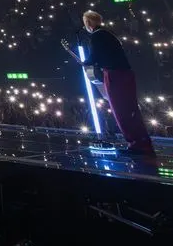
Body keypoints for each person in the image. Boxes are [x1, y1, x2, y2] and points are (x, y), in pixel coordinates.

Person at [63, 10, 154, 155]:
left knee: (121, 111)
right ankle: (142, 143)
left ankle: (136, 145)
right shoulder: (108, 33)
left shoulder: (97, 36)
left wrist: (84, 62)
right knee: (131, 109)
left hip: (115, 74)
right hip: (124, 73)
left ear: (88, 23)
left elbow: (93, 58)